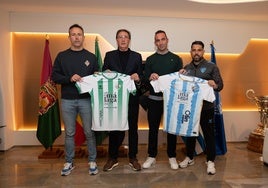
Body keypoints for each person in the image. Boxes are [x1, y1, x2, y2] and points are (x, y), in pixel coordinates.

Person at [51, 24, 99, 176]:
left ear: (84, 37)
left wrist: (101, 75)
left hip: (86, 101)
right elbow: (55, 77)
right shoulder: (61, 56)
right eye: (73, 34)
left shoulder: (91, 57)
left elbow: (96, 77)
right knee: (70, 133)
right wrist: (69, 78)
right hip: (67, 100)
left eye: (79, 34)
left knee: (89, 132)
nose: (77, 37)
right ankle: (69, 162)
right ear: (69, 37)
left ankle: (92, 161)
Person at [178, 40, 223, 175]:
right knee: (190, 134)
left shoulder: (211, 67)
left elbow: (220, 85)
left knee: (209, 135)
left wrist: (214, 84)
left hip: (206, 108)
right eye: (194, 50)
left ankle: (210, 161)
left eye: (199, 50)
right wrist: (180, 75)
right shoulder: (187, 68)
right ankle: (190, 157)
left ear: (203, 51)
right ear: (190, 52)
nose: (196, 52)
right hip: (190, 108)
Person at [102, 29, 144, 171]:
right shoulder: (109, 56)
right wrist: (105, 74)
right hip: (114, 100)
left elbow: (141, 80)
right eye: (120, 37)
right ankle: (112, 158)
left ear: (129, 40)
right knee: (114, 129)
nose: (123, 39)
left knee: (133, 129)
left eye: (125, 37)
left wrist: (138, 79)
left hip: (132, 99)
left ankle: (133, 157)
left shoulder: (137, 57)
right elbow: (103, 77)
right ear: (116, 40)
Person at [142, 30, 183, 170]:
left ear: (167, 40)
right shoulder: (150, 60)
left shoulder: (176, 59)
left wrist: (183, 74)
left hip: (171, 101)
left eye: (163, 39)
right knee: (153, 129)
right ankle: (151, 156)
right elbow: (145, 82)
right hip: (154, 100)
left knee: (171, 129)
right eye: (158, 40)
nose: (160, 42)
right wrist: (150, 76)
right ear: (155, 43)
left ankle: (172, 156)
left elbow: (180, 81)